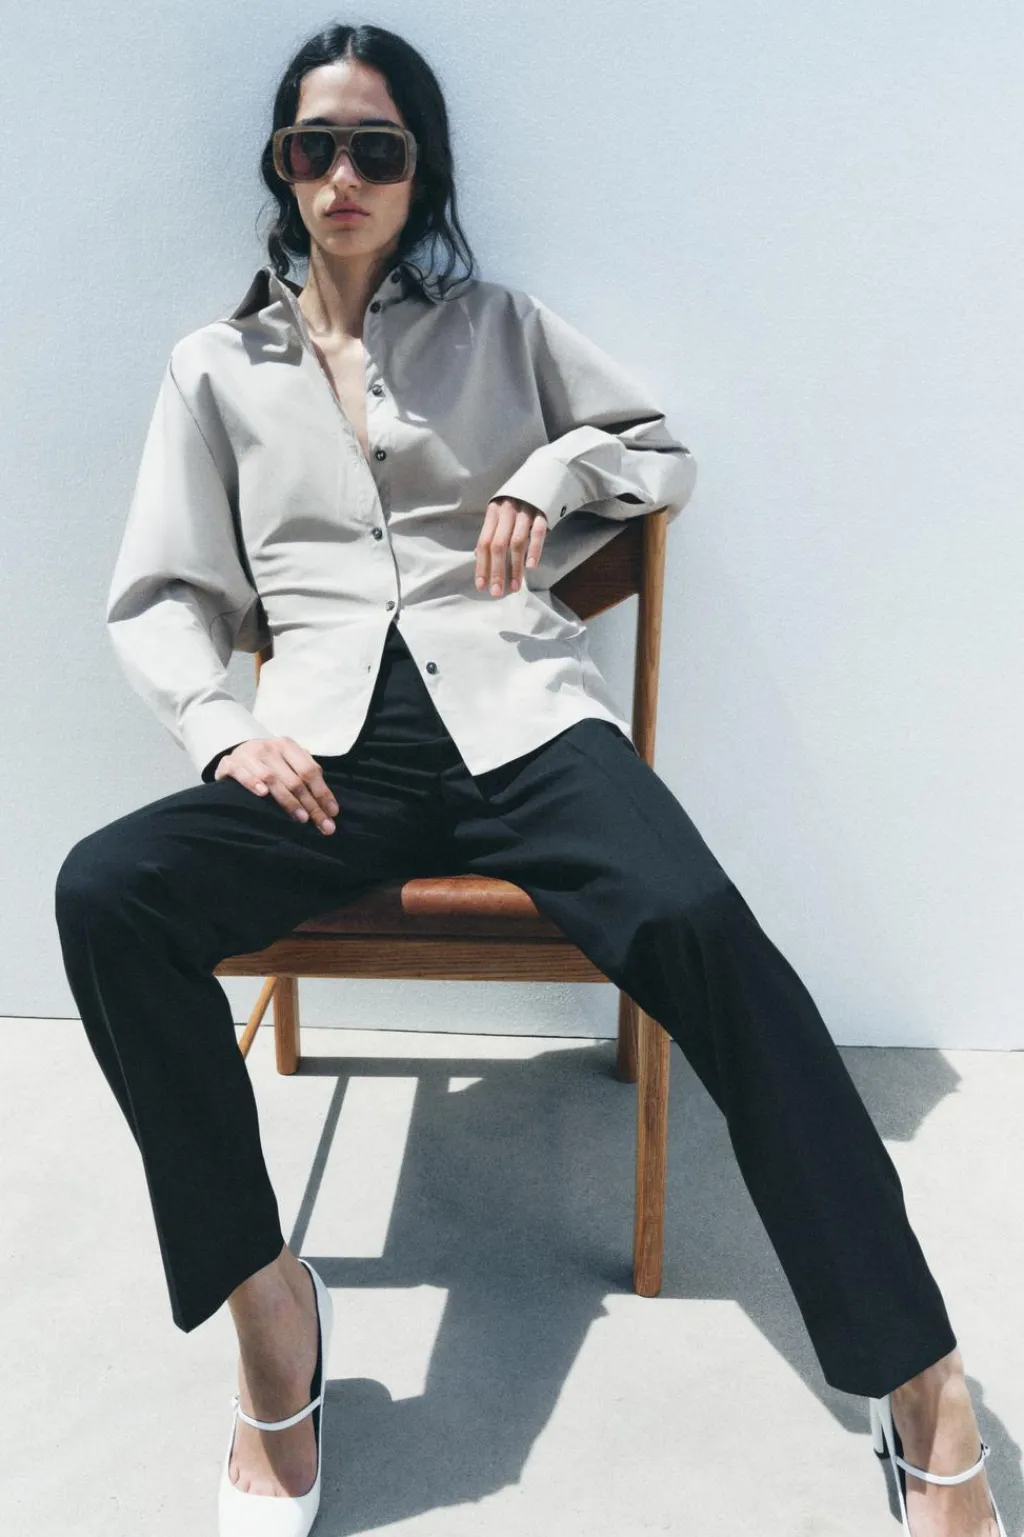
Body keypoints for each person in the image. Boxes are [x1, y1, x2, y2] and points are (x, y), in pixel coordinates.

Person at [53, 21, 1006, 1537]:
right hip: (328, 760)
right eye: (316, 146)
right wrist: (224, 729)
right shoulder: (214, 369)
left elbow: (659, 451)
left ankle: (923, 1386)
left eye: (377, 148)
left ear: (419, 171)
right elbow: (163, 593)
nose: (344, 174)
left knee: (705, 930)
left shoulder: (498, 328)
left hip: (523, 726)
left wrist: (547, 472)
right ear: (281, 167)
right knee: (107, 894)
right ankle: (268, 1308)